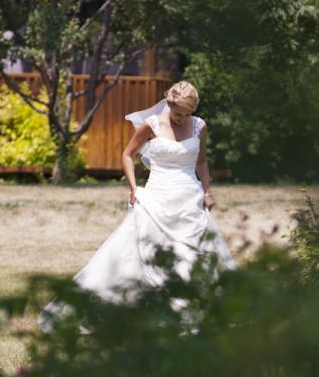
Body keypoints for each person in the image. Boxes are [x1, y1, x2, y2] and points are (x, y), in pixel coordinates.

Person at [38, 80, 235, 333]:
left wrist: (207, 190)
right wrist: (133, 188)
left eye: (186, 114)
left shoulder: (199, 126)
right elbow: (127, 154)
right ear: (169, 104)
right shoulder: (151, 125)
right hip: (157, 196)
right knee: (141, 250)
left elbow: (202, 162)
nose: (181, 118)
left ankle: (189, 311)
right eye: (177, 113)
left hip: (189, 199)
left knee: (193, 253)